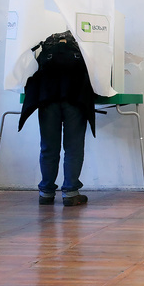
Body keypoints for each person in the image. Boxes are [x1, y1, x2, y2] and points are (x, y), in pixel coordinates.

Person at [18, 30, 95, 207]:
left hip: (48, 99)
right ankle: (71, 193)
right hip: (75, 100)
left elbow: (31, 74)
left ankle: (46, 192)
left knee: (48, 147)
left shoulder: (45, 47)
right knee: (73, 148)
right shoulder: (81, 47)